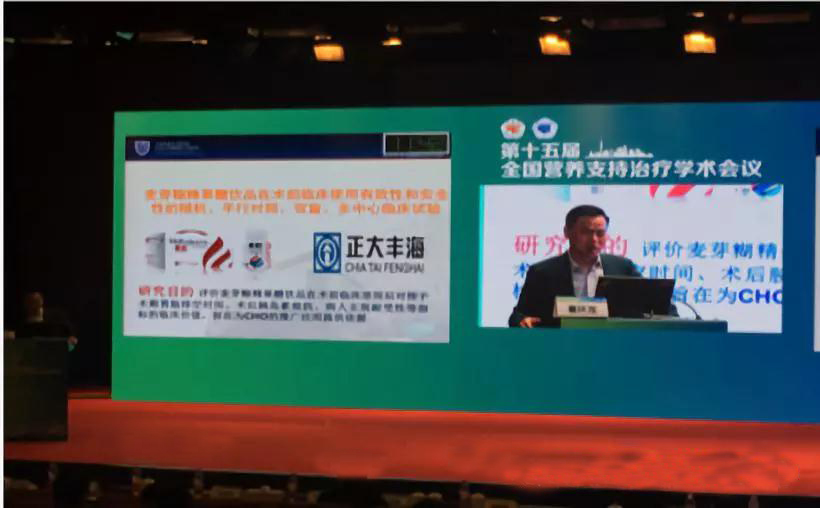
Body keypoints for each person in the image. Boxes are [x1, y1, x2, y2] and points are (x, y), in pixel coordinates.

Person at [509, 205, 648, 328]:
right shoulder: (542, 272)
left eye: (600, 233)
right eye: (586, 232)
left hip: (611, 344)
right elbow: (518, 316)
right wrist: (522, 320)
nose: (594, 240)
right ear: (567, 232)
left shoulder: (622, 268)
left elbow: (651, 306)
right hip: (561, 345)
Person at [14, 291, 78, 348]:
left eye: (36, 301)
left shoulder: (57, 316)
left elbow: (71, 333)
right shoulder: (21, 321)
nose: (33, 305)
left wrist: (71, 343)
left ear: (41, 301)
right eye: (30, 302)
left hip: (55, 352)